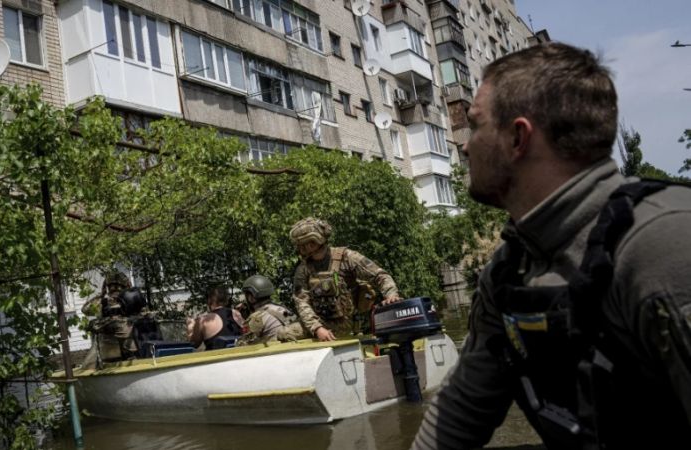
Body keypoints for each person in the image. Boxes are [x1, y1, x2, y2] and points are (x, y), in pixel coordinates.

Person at [411, 43, 691, 450]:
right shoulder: (510, 270)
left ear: (517, 137)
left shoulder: (663, 245)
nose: (465, 146)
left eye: (475, 125)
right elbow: (457, 417)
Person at [290, 217, 402, 342]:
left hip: (346, 322)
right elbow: (301, 301)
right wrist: (317, 328)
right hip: (320, 322)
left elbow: (379, 275)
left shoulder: (347, 257)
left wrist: (391, 295)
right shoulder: (303, 269)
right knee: (285, 334)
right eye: (303, 245)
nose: (307, 248)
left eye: (310, 243)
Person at [83, 271, 138, 361]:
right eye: (113, 287)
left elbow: (143, 315)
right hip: (109, 348)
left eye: (119, 287)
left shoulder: (130, 300)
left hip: (130, 344)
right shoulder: (104, 302)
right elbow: (86, 310)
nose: (116, 290)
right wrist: (101, 296)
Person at [236, 274, 306, 346]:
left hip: (273, 354)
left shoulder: (255, 317)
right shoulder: (283, 309)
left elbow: (243, 345)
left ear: (251, 297)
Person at [185, 285, 244, 350]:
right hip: (239, 356)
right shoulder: (237, 314)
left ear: (209, 300)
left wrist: (190, 329)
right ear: (226, 300)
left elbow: (193, 345)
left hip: (218, 358)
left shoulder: (203, 320)